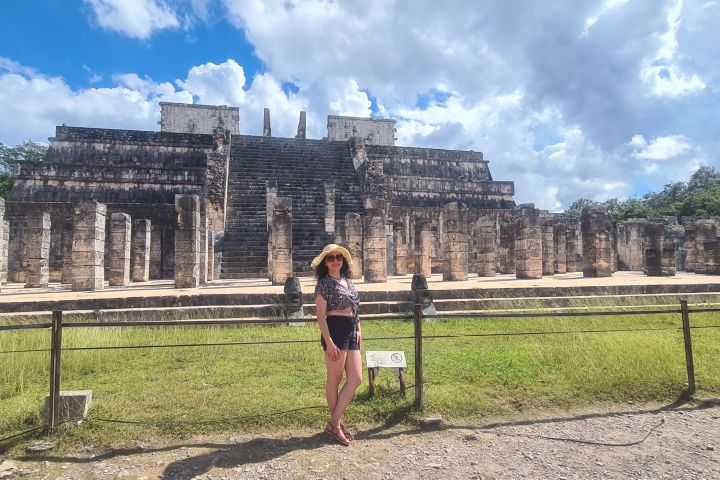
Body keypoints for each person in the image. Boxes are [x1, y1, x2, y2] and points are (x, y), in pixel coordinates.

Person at [311, 244, 362, 446]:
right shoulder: (323, 284)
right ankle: (337, 425)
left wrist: (359, 330)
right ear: (325, 262)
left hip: (351, 328)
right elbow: (321, 316)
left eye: (338, 257)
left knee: (356, 378)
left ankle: (333, 423)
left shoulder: (348, 281)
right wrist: (330, 342)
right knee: (335, 379)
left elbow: (356, 309)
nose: (335, 261)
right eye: (330, 258)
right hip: (335, 329)